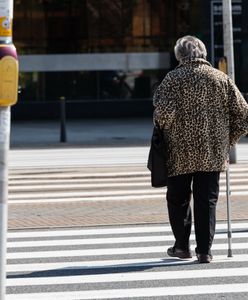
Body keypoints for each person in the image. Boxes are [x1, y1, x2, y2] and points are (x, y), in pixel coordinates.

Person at [153, 35, 248, 263]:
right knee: (207, 200)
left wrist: (165, 125)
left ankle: (182, 246)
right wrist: (228, 140)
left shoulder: (173, 79)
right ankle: (204, 251)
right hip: (212, 152)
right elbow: (243, 114)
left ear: (179, 55)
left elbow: (162, 114)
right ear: (203, 53)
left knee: (178, 199)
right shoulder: (220, 78)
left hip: (179, 151)